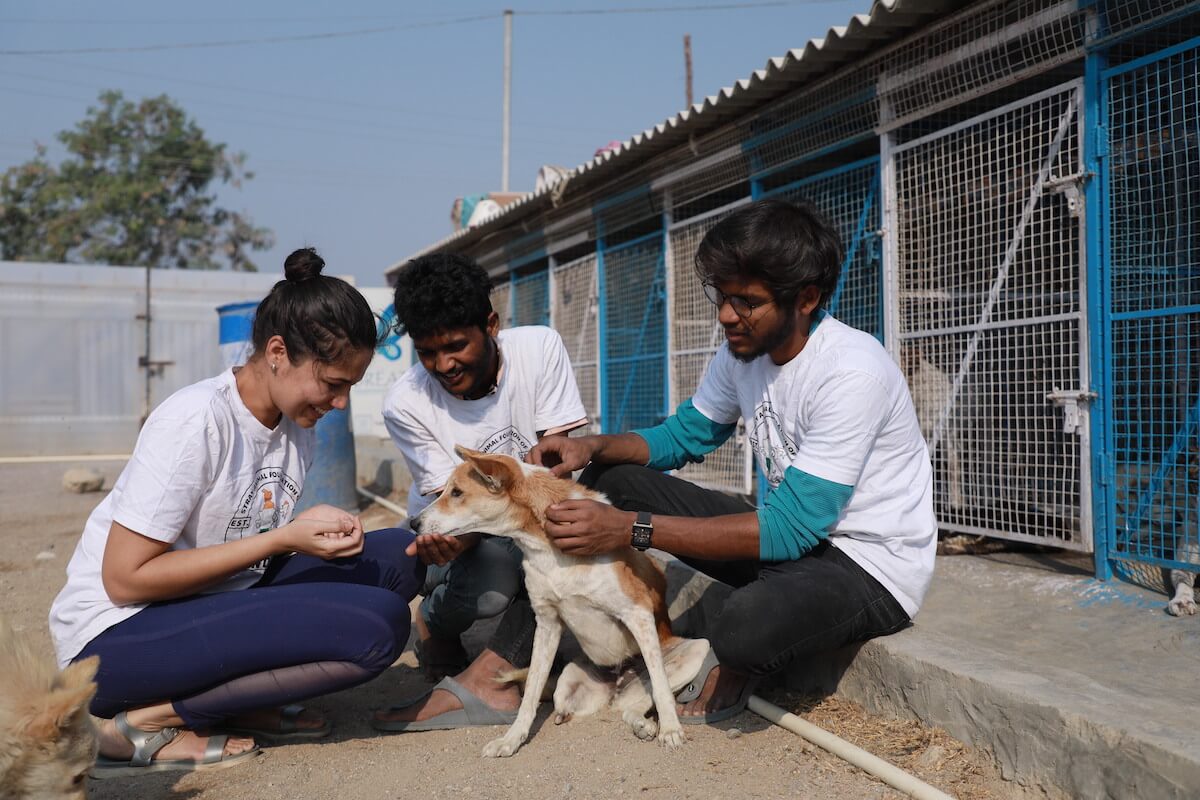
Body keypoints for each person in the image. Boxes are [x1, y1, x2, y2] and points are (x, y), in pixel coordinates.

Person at [526, 199, 937, 723]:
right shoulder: (743, 351)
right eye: (721, 295)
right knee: (614, 478)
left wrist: (631, 530)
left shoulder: (852, 372)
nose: (725, 315)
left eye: (746, 301)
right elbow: (684, 436)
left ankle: (740, 652)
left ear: (806, 298)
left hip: (867, 567)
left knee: (742, 628)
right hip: (792, 545)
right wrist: (593, 446)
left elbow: (788, 531)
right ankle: (606, 636)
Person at [48, 248, 425, 776]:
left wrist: (305, 528)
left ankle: (238, 697)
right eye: (332, 383)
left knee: (399, 556)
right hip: (114, 639)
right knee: (379, 628)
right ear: (277, 351)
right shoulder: (195, 422)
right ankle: (142, 723)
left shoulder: (297, 427)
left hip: (211, 598)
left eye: (350, 388)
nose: (339, 404)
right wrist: (281, 539)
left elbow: (247, 524)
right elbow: (124, 579)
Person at [373, 253, 587, 730]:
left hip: (530, 517)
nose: (443, 365)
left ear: (490, 324)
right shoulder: (406, 403)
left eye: (455, 346)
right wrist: (444, 545)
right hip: (453, 536)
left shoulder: (539, 350)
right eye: (428, 352)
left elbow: (560, 473)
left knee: (571, 528)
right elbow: (455, 516)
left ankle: (498, 666)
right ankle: (435, 620)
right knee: (494, 578)